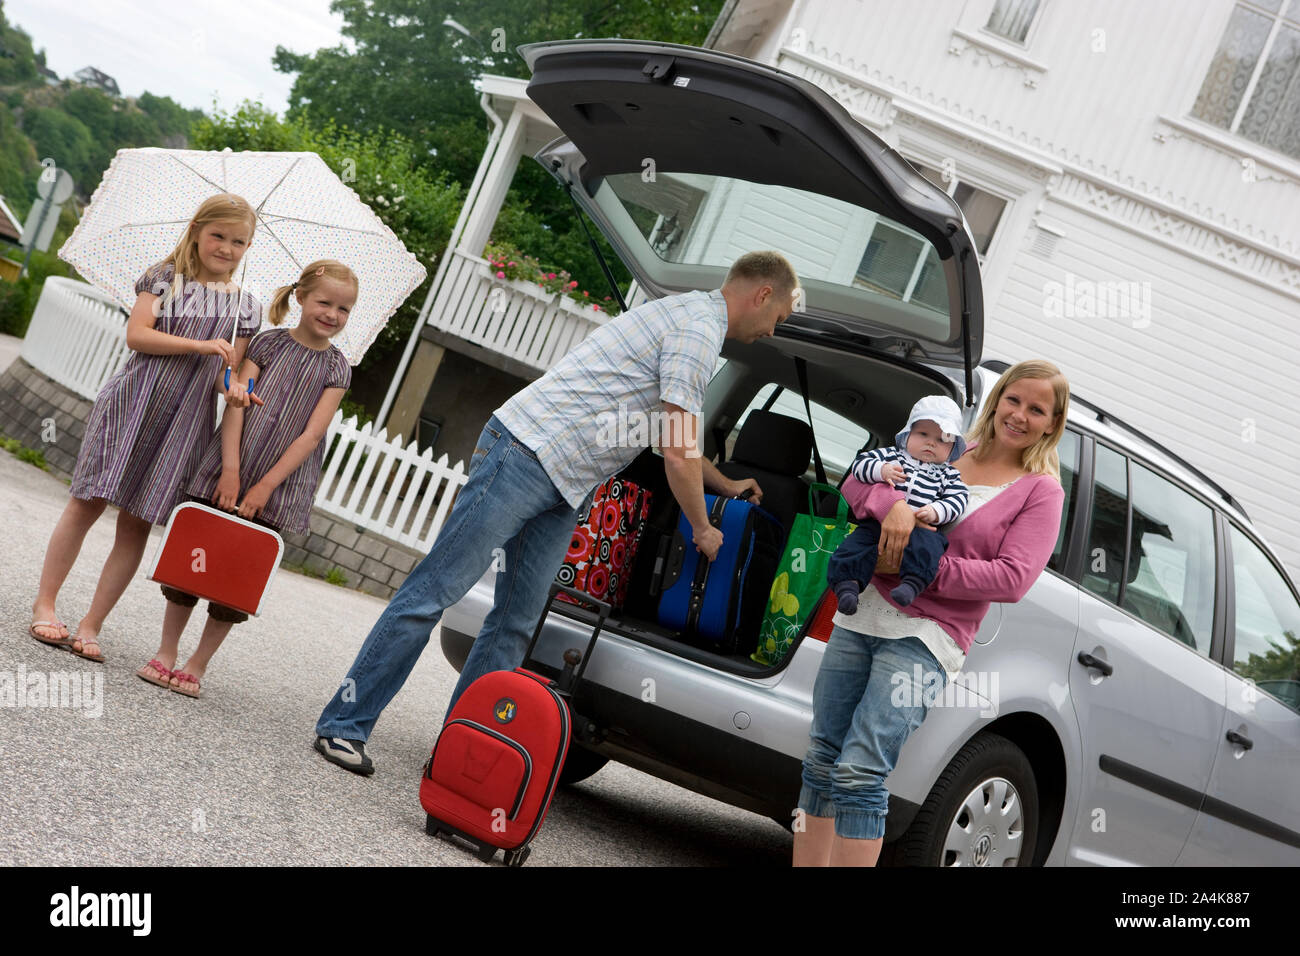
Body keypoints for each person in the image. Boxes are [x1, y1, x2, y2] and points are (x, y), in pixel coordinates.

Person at [313, 250, 800, 775]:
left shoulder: (688, 317)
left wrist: (725, 483)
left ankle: (458, 756)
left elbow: (668, 437)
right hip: (524, 454)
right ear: (763, 294)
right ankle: (344, 725)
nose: (774, 331)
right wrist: (702, 529)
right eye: (779, 319)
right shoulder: (699, 330)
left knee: (516, 624)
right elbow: (678, 451)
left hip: (566, 481)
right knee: (433, 592)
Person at [793, 359, 1069, 867]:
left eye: (1037, 409)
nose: (1020, 415)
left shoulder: (1040, 491)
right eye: (1014, 400)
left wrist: (920, 569)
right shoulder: (946, 448)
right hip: (862, 615)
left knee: (860, 770)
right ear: (997, 400)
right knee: (821, 758)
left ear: (1052, 423)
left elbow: (1011, 577)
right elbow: (857, 483)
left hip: (927, 638)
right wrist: (890, 507)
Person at [28, 194, 261, 662]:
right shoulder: (163, 278)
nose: (227, 248)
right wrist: (197, 345)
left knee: (134, 525)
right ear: (197, 229)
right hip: (131, 403)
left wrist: (236, 389)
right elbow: (137, 336)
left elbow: (228, 374)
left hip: (183, 423)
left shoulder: (246, 307)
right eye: (219, 235)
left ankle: (92, 625)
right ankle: (45, 603)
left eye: (240, 242)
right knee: (85, 505)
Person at [136, 260, 356, 698]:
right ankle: (166, 652)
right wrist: (232, 472)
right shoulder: (266, 345)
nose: (332, 314)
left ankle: (197, 665)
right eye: (324, 302)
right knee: (194, 558)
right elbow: (235, 403)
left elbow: (312, 435)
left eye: (344, 309)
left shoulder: (337, 369)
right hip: (231, 464)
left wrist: (265, 486)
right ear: (301, 298)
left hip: (278, 482)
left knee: (237, 572)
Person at [827, 395, 969, 613]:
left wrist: (936, 511)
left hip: (921, 527)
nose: (931, 442)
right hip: (878, 523)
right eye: (923, 434)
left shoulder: (948, 474)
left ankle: (912, 584)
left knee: (930, 546)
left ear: (952, 448)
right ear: (907, 434)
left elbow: (959, 499)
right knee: (854, 545)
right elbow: (860, 465)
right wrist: (881, 471)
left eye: (942, 440)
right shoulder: (893, 456)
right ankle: (847, 586)